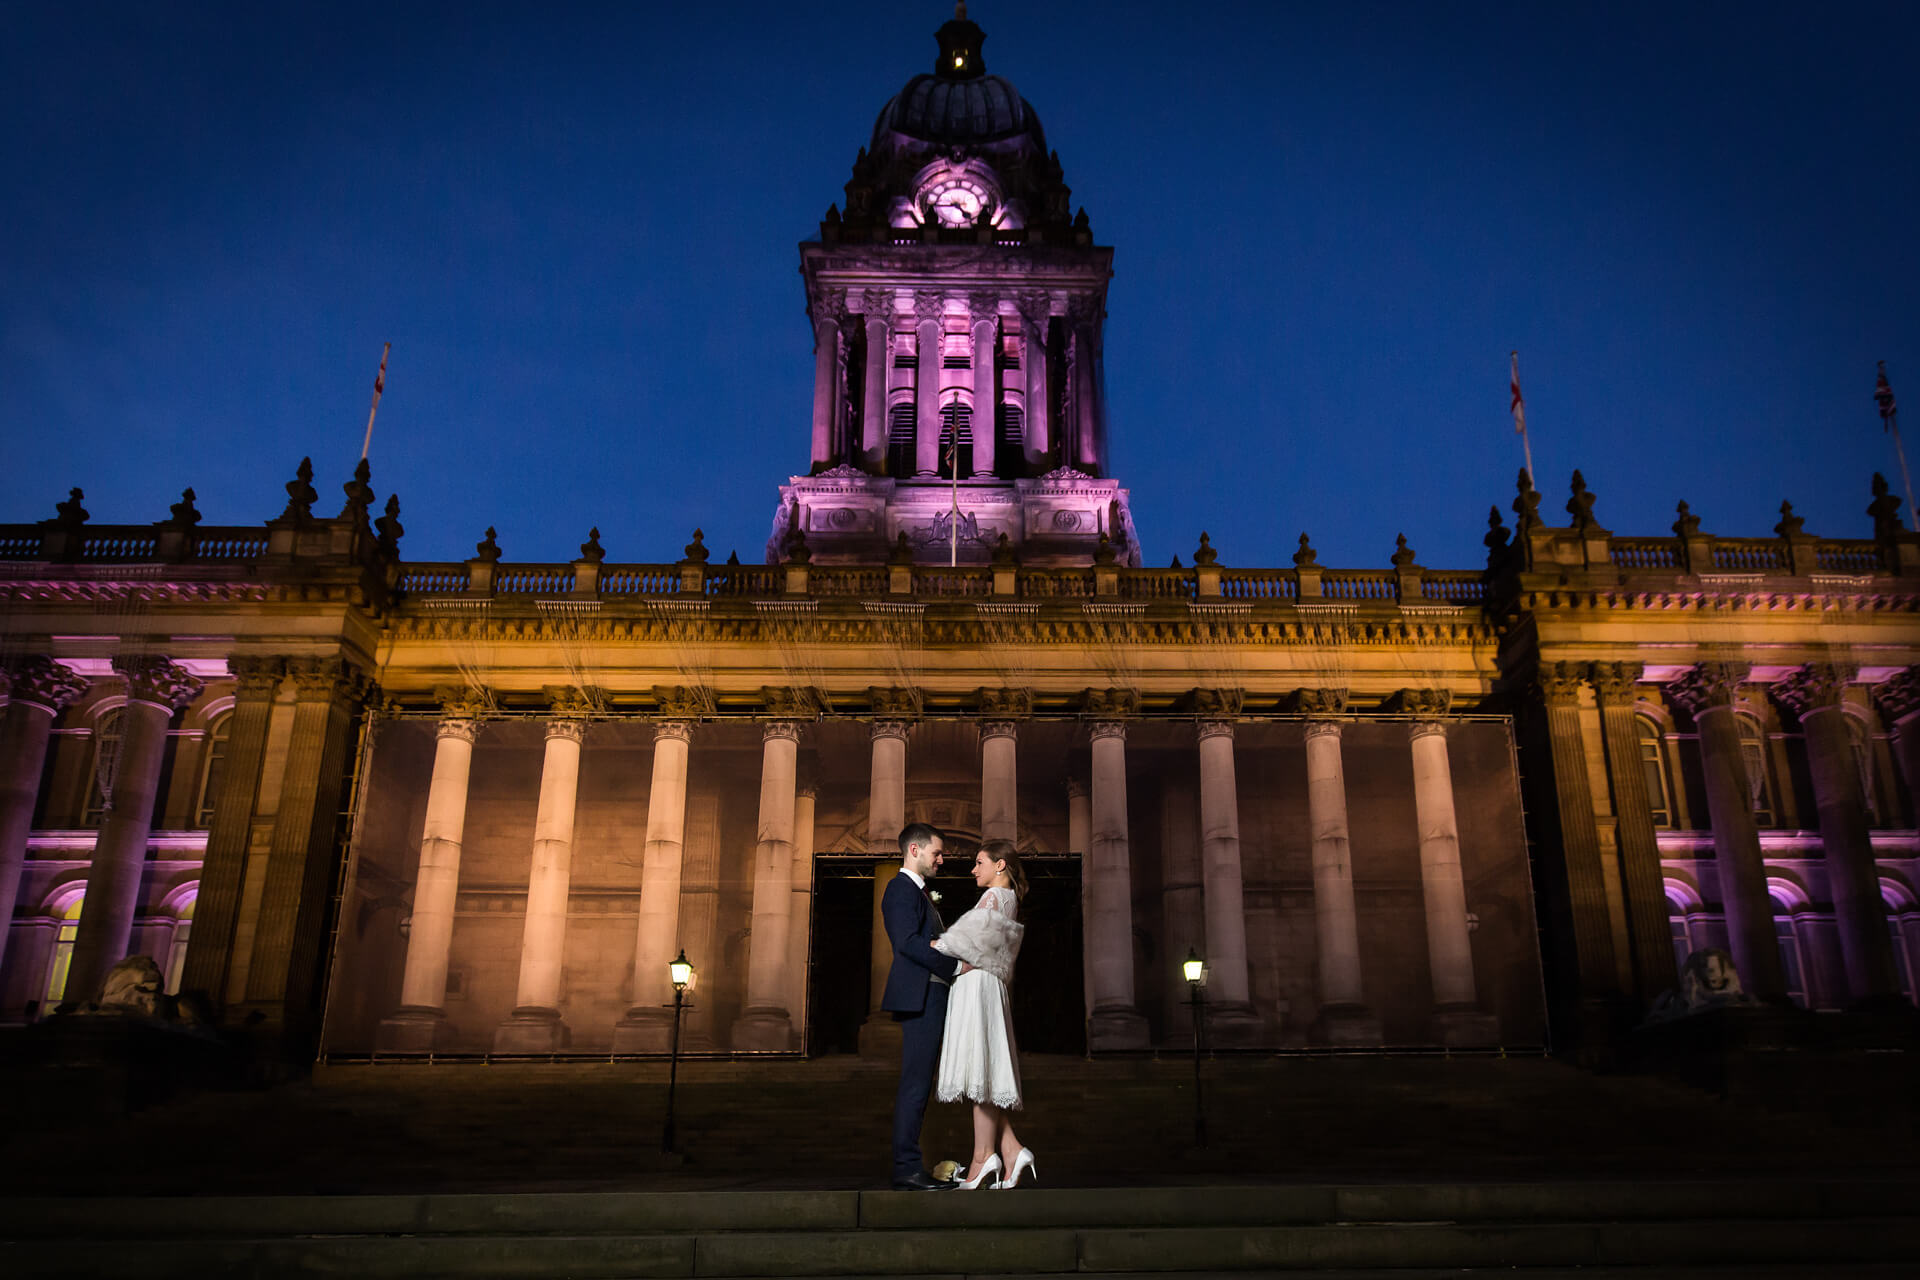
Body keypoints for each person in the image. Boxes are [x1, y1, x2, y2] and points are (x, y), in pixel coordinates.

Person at [930, 839, 1035, 1190]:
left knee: (980, 1069)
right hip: (986, 985)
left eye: (979, 862)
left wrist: (930, 945)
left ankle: (981, 1159)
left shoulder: (994, 898)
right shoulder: (1009, 900)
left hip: (978, 987)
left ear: (1000, 865)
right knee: (983, 1070)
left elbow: (961, 943)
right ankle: (1012, 1151)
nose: (974, 869)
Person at [879, 821, 965, 1190]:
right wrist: (955, 964)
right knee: (915, 1084)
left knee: (920, 1083)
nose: (941, 860)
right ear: (914, 851)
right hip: (922, 996)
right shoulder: (900, 889)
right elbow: (909, 944)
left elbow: (925, 943)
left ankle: (911, 1166)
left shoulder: (920, 893)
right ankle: (907, 1169)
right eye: (937, 853)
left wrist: (941, 948)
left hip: (931, 994)